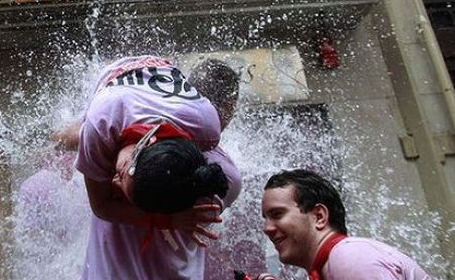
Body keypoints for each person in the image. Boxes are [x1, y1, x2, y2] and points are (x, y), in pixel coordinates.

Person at [56, 56, 242, 280]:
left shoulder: (212, 146)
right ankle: (56, 138)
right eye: (121, 175)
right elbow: (102, 205)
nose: (113, 180)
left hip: (151, 90)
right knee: (78, 137)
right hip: (121, 78)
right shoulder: (101, 124)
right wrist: (166, 220)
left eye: (119, 176)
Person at [260, 169, 431, 280]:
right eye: (266, 218)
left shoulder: (348, 257)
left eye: (277, 214)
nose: (267, 228)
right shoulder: (335, 262)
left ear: (319, 216)